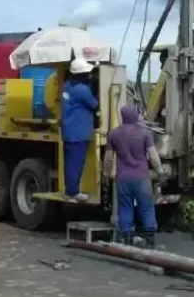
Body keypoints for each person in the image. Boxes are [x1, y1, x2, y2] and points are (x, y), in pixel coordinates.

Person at [103, 104, 165, 248]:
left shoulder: (114, 134)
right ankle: (150, 242)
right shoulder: (144, 133)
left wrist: (106, 175)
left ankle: (127, 241)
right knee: (147, 208)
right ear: (135, 116)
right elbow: (153, 155)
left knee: (125, 207)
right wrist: (160, 171)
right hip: (142, 178)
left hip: (123, 178)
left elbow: (108, 158)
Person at [61, 58, 99, 202]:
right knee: (76, 163)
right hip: (79, 132)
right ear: (81, 74)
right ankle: (72, 192)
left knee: (70, 162)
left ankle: (70, 190)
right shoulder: (82, 90)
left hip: (69, 130)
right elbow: (95, 105)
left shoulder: (67, 86)